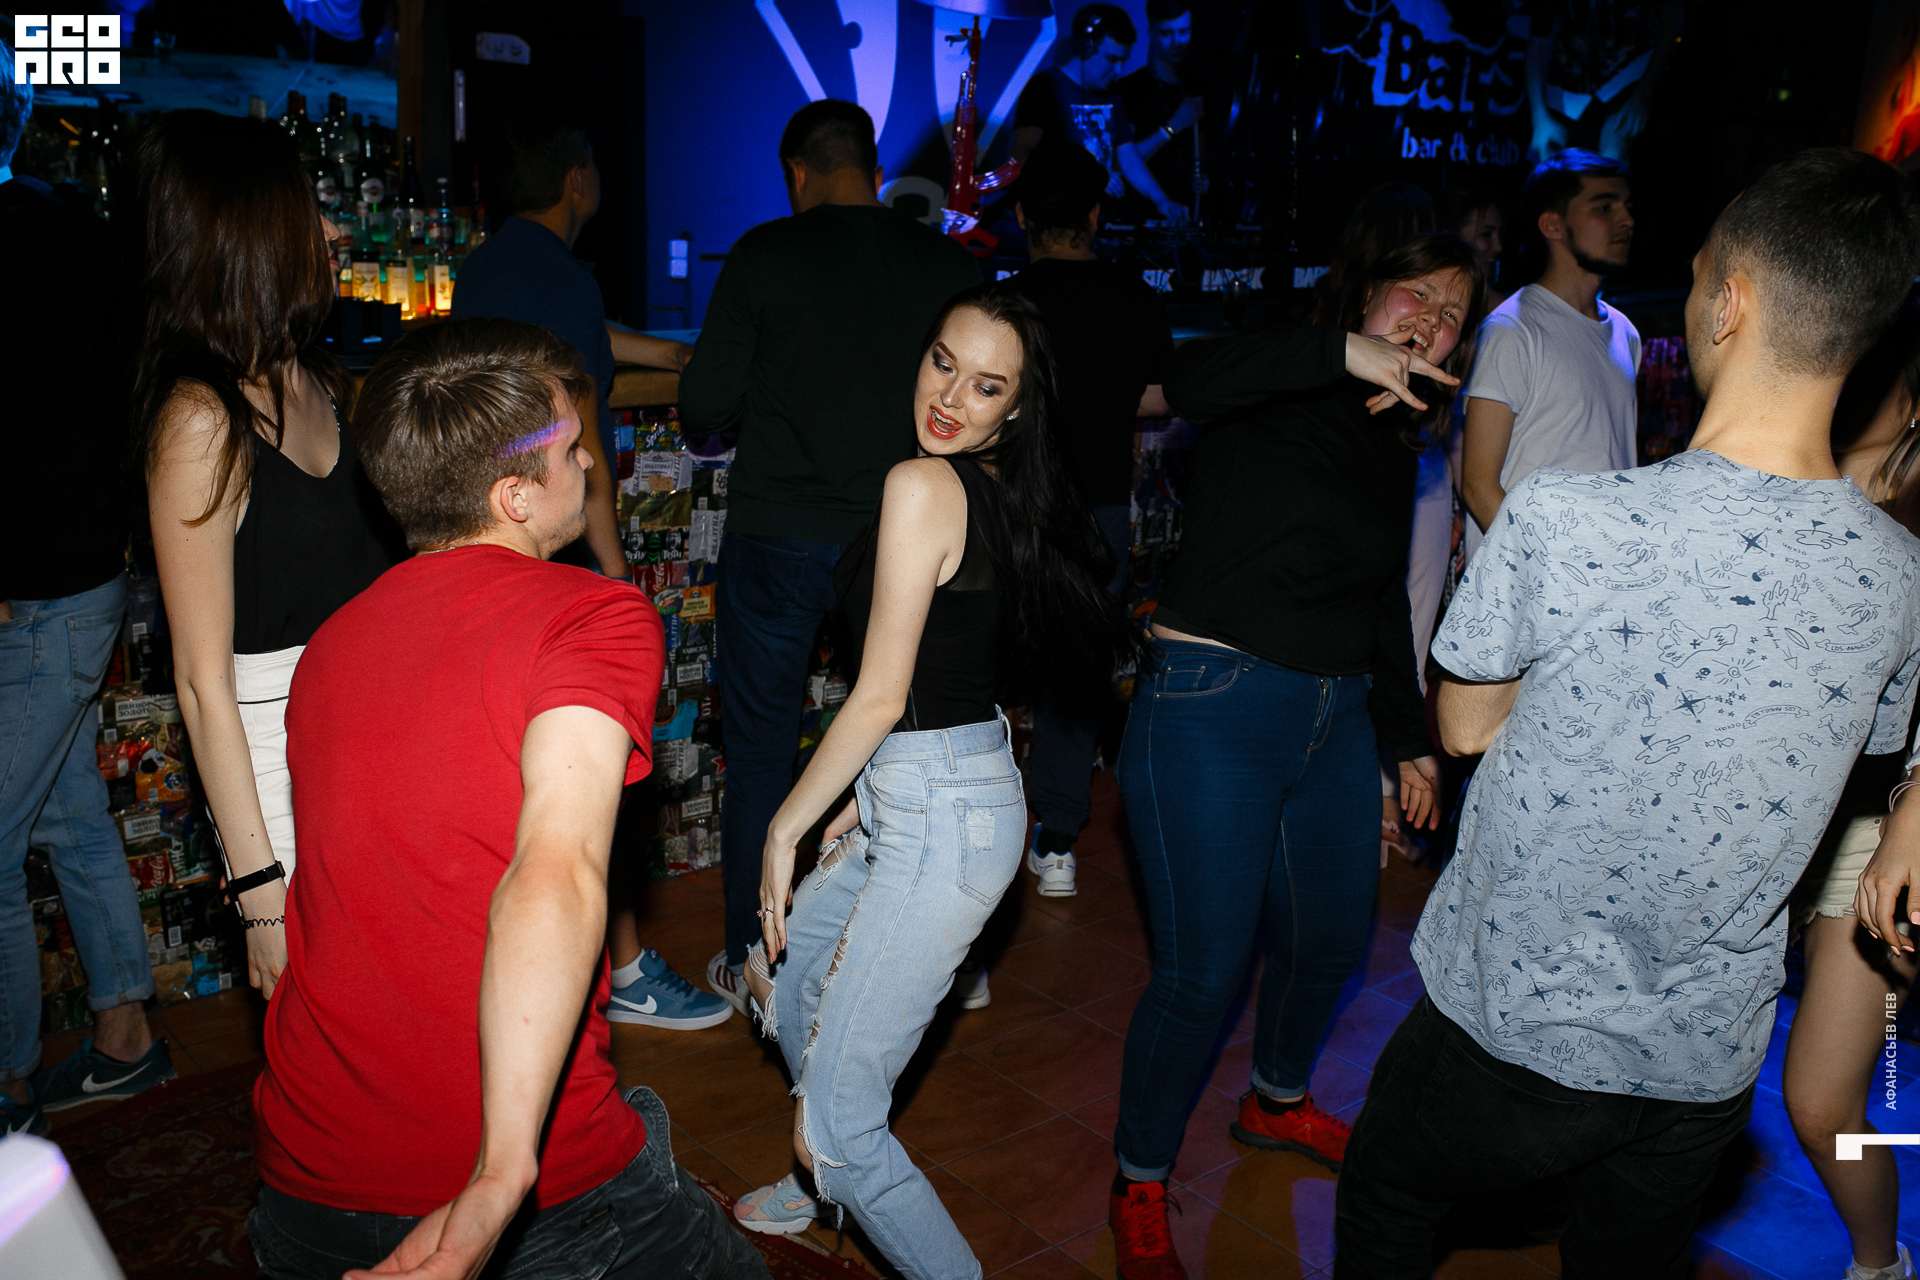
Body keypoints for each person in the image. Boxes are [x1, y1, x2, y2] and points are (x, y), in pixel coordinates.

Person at [1335, 147, 1920, 1280]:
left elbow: (1464, 727)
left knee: (1389, 1202)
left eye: (1696, 277)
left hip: (1510, 1024)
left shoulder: (1565, 518)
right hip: (1702, 1064)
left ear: (1730, 305)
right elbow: (1874, 746)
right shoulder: (1898, 577)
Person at [246, 318, 770, 1280]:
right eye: (572, 448)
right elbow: (555, 869)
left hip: (306, 1173)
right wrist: (502, 1174)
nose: (590, 462)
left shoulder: (331, 646)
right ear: (515, 495)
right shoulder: (591, 614)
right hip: (537, 1179)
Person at [723, 284, 1133, 1279]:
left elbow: (878, 694)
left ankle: (836, 1151)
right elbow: (947, 676)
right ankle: (820, 1174)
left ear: (1015, 410)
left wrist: (783, 826)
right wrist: (860, 797)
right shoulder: (981, 488)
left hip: (943, 816)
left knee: (849, 1125)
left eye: (986, 385)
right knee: (787, 978)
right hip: (933, 784)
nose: (951, 396)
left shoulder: (924, 483)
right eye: (943, 363)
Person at [1109, 234, 1480, 1280]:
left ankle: (1275, 1099)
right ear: (1366, 292)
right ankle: (1139, 1177)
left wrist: (1406, 740)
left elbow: (1377, 600)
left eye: (1453, 314)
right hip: (1212, 701)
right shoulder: (1275, 371)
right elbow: (1183, 381)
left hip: (1336, 715)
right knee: (1204, 971)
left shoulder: (1393, 442)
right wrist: (1341, 353)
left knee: (1329, 942)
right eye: (1417, 292)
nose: (1430, 319)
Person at [680, 99, 980, 1015]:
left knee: (762, 755)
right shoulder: (944, 263)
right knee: (919, 741)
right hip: (900, 535)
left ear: (796, 172)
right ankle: (942, 959)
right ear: (876, 170)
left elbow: (704, 407)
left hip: (778, 532)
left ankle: (752, 959)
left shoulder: (765, 254)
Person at [453, 110, 723, 1032]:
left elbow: (570, 341)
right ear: (577, 183)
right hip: (554, 552)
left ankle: (518, 958)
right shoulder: (562, 276)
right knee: (593, 776)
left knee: (514, 770)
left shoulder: (485, 267)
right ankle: (626, 971)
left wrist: (665, 352)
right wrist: (612, 572)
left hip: (483, 539)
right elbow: (583, 443)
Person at [137, 111, 403, 1009]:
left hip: (369, 737)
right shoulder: (200, 418)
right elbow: (201, 681)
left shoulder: (320, 379)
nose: (331, 228)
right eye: (305, 211)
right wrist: (259, 892)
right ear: (253, 236)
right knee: (329, 1023)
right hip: (278, 771)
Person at [0, 38, 169, 1134]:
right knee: (68, 815)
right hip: (85, 573)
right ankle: (126, 1033)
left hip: (34, 586)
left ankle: (8, 1086)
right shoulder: (78, 229)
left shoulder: (36, 235)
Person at [1782, 295, 1920, 1280]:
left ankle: (1879, 1264)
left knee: (1824, 1100)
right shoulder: (1783, 477)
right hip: (1766, 813)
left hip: (1879, 824)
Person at [1006, 140, 1175, 900]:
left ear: (1021, 216)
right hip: (1098, 511)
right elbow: (1159, 397)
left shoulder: (1006, 303)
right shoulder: (1134, 298)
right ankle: (1057, 843)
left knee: (977, 667)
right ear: (1097, 216)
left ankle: (967, 838)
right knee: (1073, 679)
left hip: (1012, 508)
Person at [1458, 149, 1639, 564]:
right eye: (1605, 207)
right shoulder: (1512, 330)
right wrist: (1548, 572)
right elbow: (1478, 486)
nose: (1626, 220)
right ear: (1552, 225)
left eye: (1627, 207)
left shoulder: (1625, 333)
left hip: (1601, 581)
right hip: (1530, 585)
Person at [1011, 4, 1188, 224]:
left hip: (1099, 220)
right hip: (1057, 218)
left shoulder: (1112, 93)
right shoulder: (1045, 86)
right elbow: (1022, 154)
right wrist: (1086, 175)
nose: (1118, 71)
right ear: (1085, 48)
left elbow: (1127, 154)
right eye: (1112, 60)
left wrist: (1161, 200)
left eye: (1123, 62)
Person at [1526, 1, 1685, 163]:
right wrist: (1539, 117)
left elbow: (1673, 20)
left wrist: (1642, 94)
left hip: (1628, 74)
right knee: (1554, 162)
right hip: (1568, 84)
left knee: (1614, 155)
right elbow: (1538, 42)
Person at [1115, 0, 1208, 223]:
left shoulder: (1195, 87)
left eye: (1183, 32)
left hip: (1185, 217)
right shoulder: (1130, 89)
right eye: (1167, 33)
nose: (1177, 42)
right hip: (1140, 218)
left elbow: (1200, 154)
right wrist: (1171, 128)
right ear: (1152, 34)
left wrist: (1202, 179)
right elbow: (1120, 161)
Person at [1438, 185, 1508, 310]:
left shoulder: (1496, 306)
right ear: (1450, 237)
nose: (1499, 247)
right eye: (1486, 234)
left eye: (1499, 236)